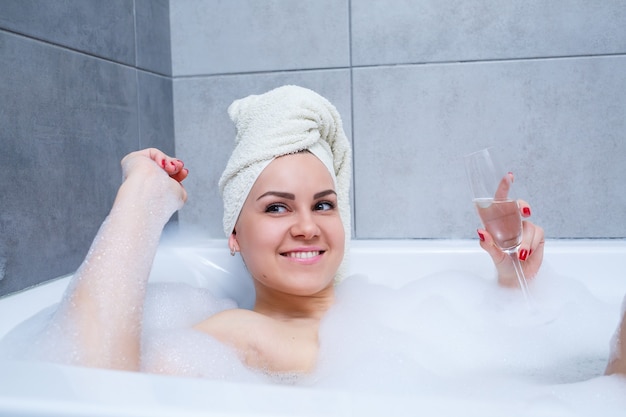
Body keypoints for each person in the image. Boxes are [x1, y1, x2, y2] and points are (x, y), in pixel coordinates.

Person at [25, 85, 626, 377]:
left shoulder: (409, 310)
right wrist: (141, 197)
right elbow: (91, 390)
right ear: (234, 234)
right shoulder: (227, 336)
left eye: (325, 204)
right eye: (278, 208)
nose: (308, 227)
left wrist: (512, 287)